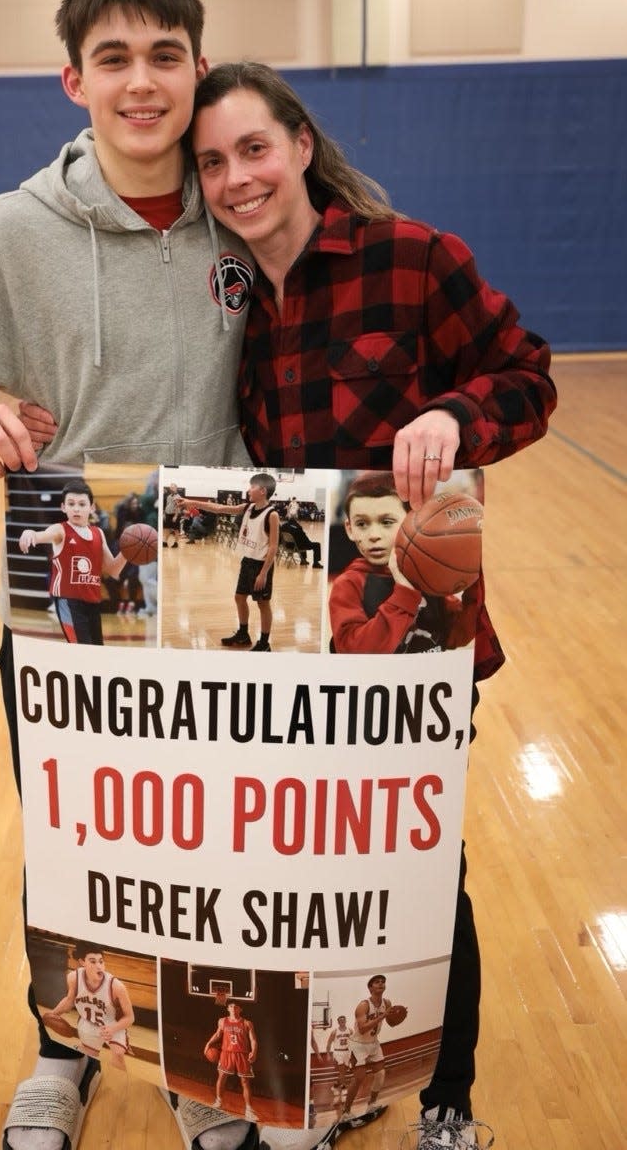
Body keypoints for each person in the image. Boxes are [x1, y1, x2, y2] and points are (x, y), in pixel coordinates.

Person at [0, 0, 262, 1150]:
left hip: (222, 590)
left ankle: (199, 1062)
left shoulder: (245, 206)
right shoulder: (15, 228)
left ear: (198, 67)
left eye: (165, 55)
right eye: (114, 58)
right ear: (72, 80)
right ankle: (63, 1053)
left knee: (205, 838)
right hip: (69, 594)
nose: (141, 81)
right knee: (73, 841)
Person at [188, 61, 556, 1148]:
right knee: (308, 868)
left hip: (410, 633)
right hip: (286, 640)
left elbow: (527, 374)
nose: (235, 177)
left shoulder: (413, 257)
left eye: (252, 148)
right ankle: (338, 1082)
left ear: (300, 145)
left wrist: (454, 410)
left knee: (420, 867)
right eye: (211, 162)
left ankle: (446, 1101)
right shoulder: (228, 297)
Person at [328, 472, 477, 655]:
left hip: (427, 681)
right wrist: (405, 595)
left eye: (387, 522)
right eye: (362, 524)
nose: (374, 535)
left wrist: (475, 579)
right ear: (349, 529)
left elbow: (457, 634)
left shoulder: (426, 572)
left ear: (411, 521)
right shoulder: (348, 585)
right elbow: (355, 653)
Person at [176, 472, 279, 651]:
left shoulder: (272, 515)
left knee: (263, 604)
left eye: (252, 487)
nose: (248, 490)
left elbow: (273, 547)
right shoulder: (248, 508)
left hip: (261, 565)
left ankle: (264, 643)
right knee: (239, 597)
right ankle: (243, 634)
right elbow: (218, 508)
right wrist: (191, 502)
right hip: (247, 561)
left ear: (262, 491)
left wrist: (263, 573)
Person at [18, 478, 128, 643]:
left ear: (92, 507)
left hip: (93, 601)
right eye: (71, 503)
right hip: (68, 601)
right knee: (81, 652)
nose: (76, 509)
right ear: (63, 507)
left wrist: (128, 552)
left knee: (97, 652)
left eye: (82, 504)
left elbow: (113, 570)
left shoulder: (98, 532)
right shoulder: (60, 530)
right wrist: (29, 532)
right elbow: (41, 535)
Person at [41, 944, 134, 1071]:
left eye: (101, 962)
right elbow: (69, 1000)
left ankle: (122, 1082)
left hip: (113, 1024)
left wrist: (113, 1029)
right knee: (88, 1057)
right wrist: (53, 1014)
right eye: (93, 961)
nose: (99, 966)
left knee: (118, 1053)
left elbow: (130, 1017)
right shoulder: (74, 977)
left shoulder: (116, 986)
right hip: (89, 1023)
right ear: (82, 962)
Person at [339, 976, 395, 1120]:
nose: (381, 984)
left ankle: (371, 1104)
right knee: (359, 1078)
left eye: (383, 982)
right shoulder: (364, 1005)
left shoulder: (387, 1003)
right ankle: (345, 1112)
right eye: (377, 982)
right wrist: (382, 1016)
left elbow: (392, 1023)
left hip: (373, 1043)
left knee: (381, 1074)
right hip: (358, 1045)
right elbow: (363, 1029)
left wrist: (398, 1015)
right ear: (370, 988)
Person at [205, 1001, 259, 1122]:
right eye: (230, 1006)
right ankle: (219, 1101)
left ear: (240, 1009)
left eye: (236, 1006)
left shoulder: (247, 1023)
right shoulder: (222, 1021)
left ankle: (249, 1110)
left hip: (242, 1054)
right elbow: (218, 1034)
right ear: (227, 1009)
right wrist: (208, 1043)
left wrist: (254, 1051)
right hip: (226, 1053)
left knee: (245, 1081)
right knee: (222, 1076)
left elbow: (253, 1040)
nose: (233, 1008)